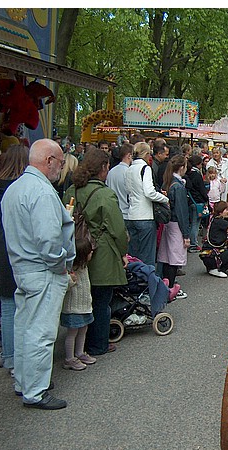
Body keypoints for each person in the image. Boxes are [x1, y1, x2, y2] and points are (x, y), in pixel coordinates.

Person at [2, 138, 76, 409]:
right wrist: (60, 266)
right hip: (43, 270)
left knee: (24, 329)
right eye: (58, 162)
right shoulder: (42, 192)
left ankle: (25, 381)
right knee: (41, 333)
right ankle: (36, 390)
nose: (60, 167)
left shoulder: (15, 188)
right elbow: (49, 241)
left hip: (22, 267)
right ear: (48, 161)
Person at [64, 148, 129, 356]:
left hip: (76, 251)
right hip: (101, 253)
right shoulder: (104, 194)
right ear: (103, 168)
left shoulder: (71, 191)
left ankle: (75, 345)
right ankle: (97, 344)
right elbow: (117, 230)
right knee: (101, 302)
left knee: (78, 301)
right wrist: (122, 252)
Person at [0, 144, 29, 373]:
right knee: (27, 305)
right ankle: (24, 358)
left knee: (8, 305)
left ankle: (10, 357)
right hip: (24, 247)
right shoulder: (27, 189)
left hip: (2, 250)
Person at [124, 142, 169, 267]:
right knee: (147, 256)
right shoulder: (145, 168)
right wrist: (164, 198)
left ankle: (134, 282)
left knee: (133, 255)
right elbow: (149, 192)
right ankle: (148, 283)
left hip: (131, 215)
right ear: (147, 154)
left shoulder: (129, 169)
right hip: (145, 215)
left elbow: (128, 191)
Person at [60, 236, 96, 371]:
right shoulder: (72, 270)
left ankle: (80, 353)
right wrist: (71, 280)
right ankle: (69, 358)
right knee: (72, 332)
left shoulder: (84, 267)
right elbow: (66, 286)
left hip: (85, 305)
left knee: (83, 329)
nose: (91, 254)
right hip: (73, 307)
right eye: (89, 252)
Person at [157, 154, 190, 298]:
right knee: (174, 258)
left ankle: (166, 285)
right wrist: (186, 235)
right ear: (182, 167)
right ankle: (171, 288)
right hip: (177, 225)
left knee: (166, 256)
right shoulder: (179, 187)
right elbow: (182, 212)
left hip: (167, 224)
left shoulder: (167, 182)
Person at [185, 154, 210, 251]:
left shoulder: (187, 174)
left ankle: (190, 241)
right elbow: (201, 189)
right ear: (198, 164)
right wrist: (206, 199)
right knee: (196, 224)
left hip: (190, 201)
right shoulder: (196, 174)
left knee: (191, 223)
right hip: (198, 202)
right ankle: (193, 244)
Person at [106, 142, 134, 220]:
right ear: (129, 155)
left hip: (112, 212)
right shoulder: (129, 172)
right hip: (126, 213)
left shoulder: (111, 171)